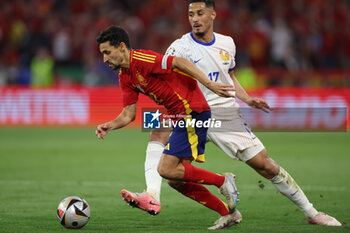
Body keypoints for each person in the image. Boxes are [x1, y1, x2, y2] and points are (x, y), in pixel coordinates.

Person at [120, 0, 342, 227]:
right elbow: (167, 78)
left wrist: (246, 98)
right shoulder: (179, 47)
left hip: (223, 114)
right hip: (190, 112)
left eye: (200, 13)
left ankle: (312, 213)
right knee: (170, 165)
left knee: (265, 165)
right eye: (190, 14)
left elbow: (229, 76)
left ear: (213, 14)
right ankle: (154, 197)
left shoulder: (227, 43)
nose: (195, 19)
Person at [95, 25, 241, 230]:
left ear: (121, 47)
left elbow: (179, 62)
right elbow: (128, 114)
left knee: (166, 168)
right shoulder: (124, 76)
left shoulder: (142, 59)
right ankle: (228, 213)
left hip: (192, 110)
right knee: (175, 179)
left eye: (107, 53)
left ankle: (222, 181)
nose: (104, 59)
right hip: (175, 114)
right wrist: (109, 125)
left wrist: (209, 84)